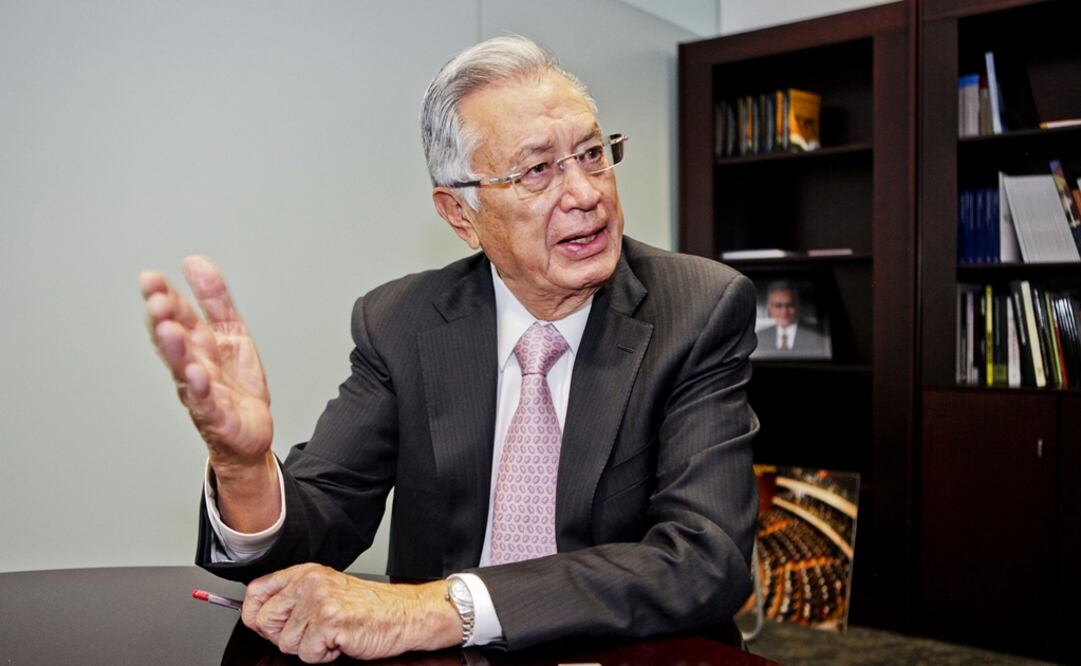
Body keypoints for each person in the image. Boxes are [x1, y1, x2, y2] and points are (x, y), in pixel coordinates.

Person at [140, 35, 758, 663]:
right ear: (461, 215)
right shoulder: (402, 322)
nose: (585, 192)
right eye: (538, 170)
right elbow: (321, 526)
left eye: (592, 153)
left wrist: (445, 608)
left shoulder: (697, 309)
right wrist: (244, 469)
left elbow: (705, 560)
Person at [756, 280, 828, 355]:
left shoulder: (818, 336)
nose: (784, 312)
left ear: (798, 306)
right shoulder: (760, 337)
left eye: (790, 305)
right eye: (778, 306)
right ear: (769, 308)